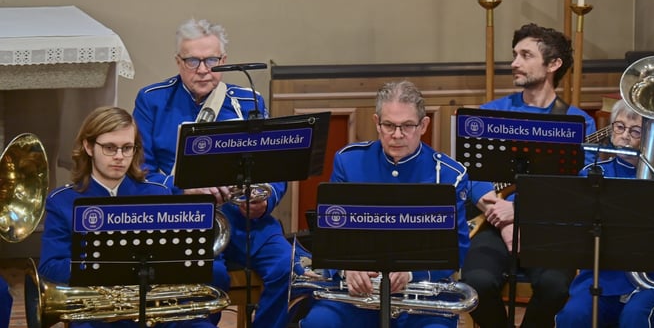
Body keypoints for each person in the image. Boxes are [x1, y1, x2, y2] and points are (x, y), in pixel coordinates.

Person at [133, 18, 291, 328]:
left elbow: (275, 168)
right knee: (206, 278)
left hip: (243, 220)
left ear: (224, 61)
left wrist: (265, 199)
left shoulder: (248, 101)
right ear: (178, 62)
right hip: (186, 221)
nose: (203, 69)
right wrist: (182, 189)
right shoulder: (152, 100)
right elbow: (140, 172)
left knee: (287, 268)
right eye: (193, 61)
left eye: (212, 60)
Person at [299, 80, 471, 328]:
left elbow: (458, 248)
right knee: (319, 323)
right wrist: (346, 269)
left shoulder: (449, 175)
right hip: (357, 294)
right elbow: (331, 236)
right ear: (377, 123)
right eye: (389, 125)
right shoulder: (349, 161)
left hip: (421, 297)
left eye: (407, 126)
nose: (397, 135)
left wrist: (411, 273)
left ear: (424, 125)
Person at [38, 106, 226, 328]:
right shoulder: (62, 201)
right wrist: (103, 268)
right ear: (88, 147)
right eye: (109, 148)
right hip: (99, 314)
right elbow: (50, 267)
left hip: (159, 310)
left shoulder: (157, 193)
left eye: (127, 148)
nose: (119, 157)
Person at [461, 22, 597, 328]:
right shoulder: (491, 112)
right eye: (514, 55)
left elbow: (578, 190)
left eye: (525, 55)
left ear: (553, 64)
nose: (514, 63)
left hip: (548, 227)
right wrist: (505, 219)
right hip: (493, 222)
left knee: (555, 286)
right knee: (475, 283)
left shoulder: (578, 122)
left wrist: (520, 213)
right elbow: (471, 173)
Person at [554, 99, 654, 328]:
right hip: (605, 281)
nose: (624, 136)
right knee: (574, 315)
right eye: (619, 127)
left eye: (635, 131)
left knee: (637, 315)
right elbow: (575, 240)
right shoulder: (594, 174)